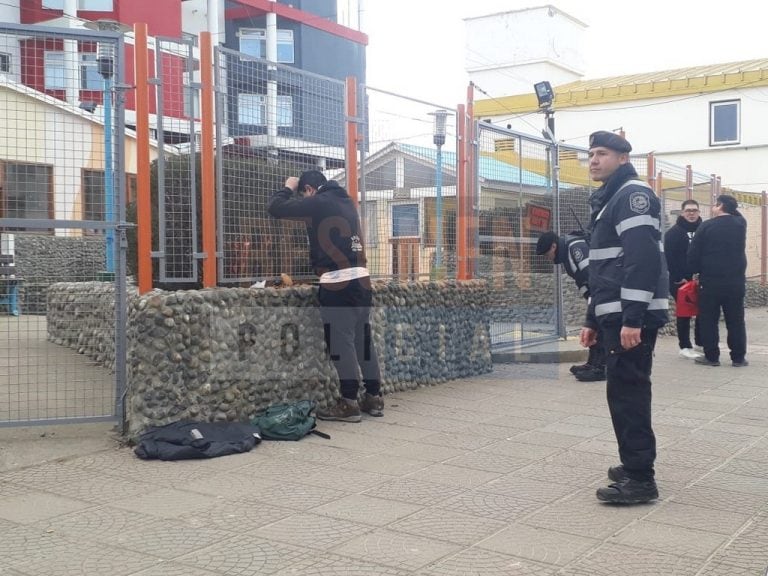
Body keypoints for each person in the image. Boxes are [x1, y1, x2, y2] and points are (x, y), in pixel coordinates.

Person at [580, 130, 669, 504]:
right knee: (622, 392)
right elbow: (604, 269)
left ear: (622, 158)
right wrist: (592, 319)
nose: (594, 160)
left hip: (629, 317)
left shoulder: (631, 196)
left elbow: (642, 261)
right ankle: (633, 463)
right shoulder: (611, 198)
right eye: (591, 155)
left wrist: (632, 318)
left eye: (602, 154)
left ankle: (639, 477)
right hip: (614, 314)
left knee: (629, 394)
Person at [268, 170, 384, 422]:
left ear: (309, 189)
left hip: (337, 282)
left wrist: (288, 186)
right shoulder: (345, 200)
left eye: (304, 194)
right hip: (362, 279)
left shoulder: (319, 201)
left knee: (341, 344)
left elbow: (276, 208)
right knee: (363, 340)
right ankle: (374, 397)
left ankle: (349, 402)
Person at [535, 230, 606, 382]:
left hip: (602, 292)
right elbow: (581, 281)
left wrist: (593, 300)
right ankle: (593, 363)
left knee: (600, 325)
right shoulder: (567, 251)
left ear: (553, 246)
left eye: (547, 254)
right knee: (594, 326)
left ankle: (601, 367)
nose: (548, 258)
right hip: (596, 294)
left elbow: (592, 276)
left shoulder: (575, 247)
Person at [687, 194, 748, 368]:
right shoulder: (740, 225)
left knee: (709, 319)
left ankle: (712, 356)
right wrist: (730, 206)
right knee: (736, 320)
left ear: (720, 206)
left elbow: (693, 254)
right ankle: (738, 358)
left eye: (715, 204)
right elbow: (737, 215)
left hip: (710, 281)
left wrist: (695, 271)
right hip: (735, 281)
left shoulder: (706, 226)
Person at [664, 199, 703, 359]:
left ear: (699, 212)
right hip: (680, 281)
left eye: (694, 210)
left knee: (703, 310)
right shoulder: (673, 233)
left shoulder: (704, 230)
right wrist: (679, 278)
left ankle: (700, 342)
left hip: (702, 279)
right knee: (684, 312)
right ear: (682, 212)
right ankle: (685, 346)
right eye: (688, 210)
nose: (691, 213)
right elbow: (669, 257)